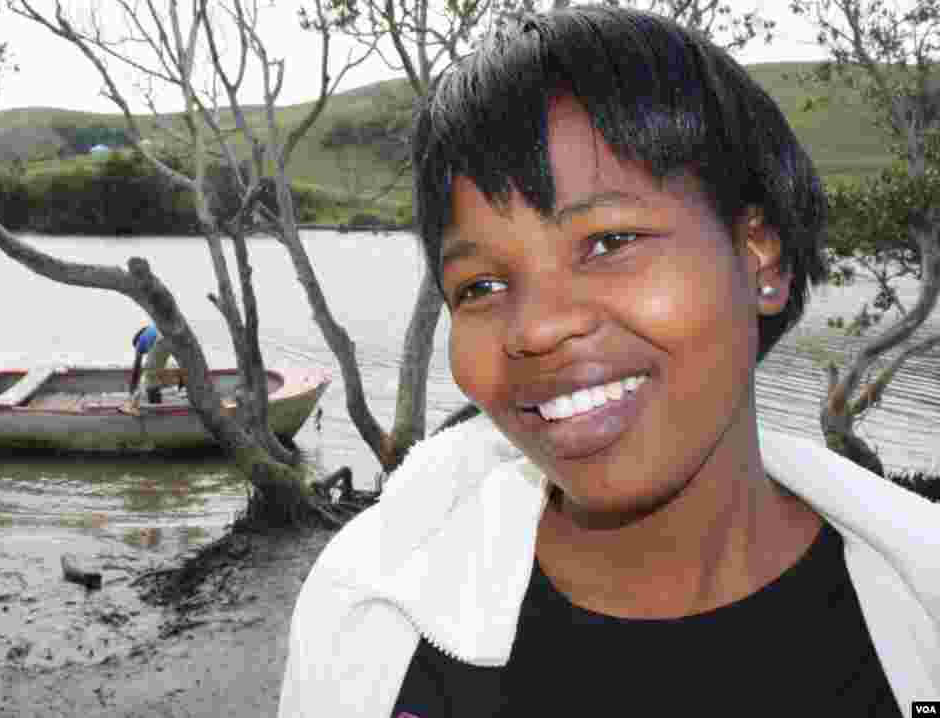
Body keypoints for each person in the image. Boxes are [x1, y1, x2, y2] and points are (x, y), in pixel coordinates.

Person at [278, 6, 940, 718]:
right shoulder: (379, 631)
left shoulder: (915, 620)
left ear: (759, 256)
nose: (535, 329)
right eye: (482, 287)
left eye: (610, 241)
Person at [121, 323, 174, 415]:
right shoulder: (151, 330)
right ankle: (157, 404)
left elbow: (136, 367)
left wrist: (131, 389)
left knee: (150, 376)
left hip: (161, 340)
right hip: (172, 338)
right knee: (155, 374)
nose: (145, 353)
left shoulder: (139, 342)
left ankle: (155, 409)